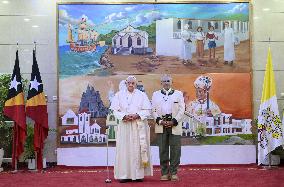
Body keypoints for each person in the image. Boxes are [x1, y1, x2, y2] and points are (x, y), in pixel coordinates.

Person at [110, 76, 153, 183]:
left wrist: (137, 115)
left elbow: (148, 110)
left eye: (133, 83)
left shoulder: (142, 95)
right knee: (124, 150)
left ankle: (138, 175)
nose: (131, 85)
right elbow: (114, 111)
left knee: (137, 150)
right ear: (126, 83)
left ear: (136, 84)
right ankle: (124, 175)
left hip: (138, 125)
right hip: (124, 126)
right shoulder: (119, 95)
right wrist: (124, 116)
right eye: (129, 83)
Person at [151, 74, 185, 181]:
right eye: (164, 81)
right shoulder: (155, 94)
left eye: (168, 81)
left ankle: (174, 172)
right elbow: (153, 110)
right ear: (161, 83)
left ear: (172, 82)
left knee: (175, 149)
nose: (166, 82)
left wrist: (173, 121)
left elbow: (182, 109)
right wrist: (160, 121)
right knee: (163, 149)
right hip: (161, 125)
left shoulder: (178, 94)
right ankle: (164, 173)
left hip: (174, 124)